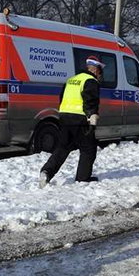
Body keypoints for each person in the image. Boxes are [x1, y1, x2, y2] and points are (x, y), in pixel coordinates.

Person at [39, 56, 104, 187]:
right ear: (96, 70)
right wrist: (92, 116)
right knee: (88, 148)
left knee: (63, 147)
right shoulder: (90, 81)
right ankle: (83, 178)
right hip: (80, 119)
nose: (100, 75)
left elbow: (62, 98)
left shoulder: (71, 80)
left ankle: (47, 171)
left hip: (64, 117)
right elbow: (90, 100)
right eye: (100, 72)